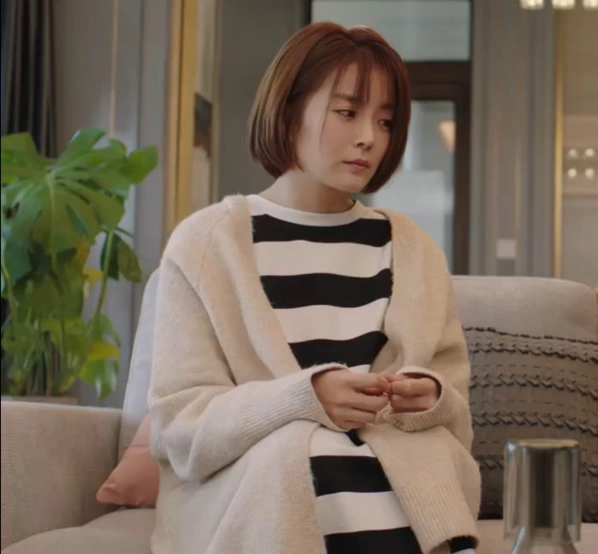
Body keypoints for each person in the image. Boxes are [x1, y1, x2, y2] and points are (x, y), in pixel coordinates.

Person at [147, 23, 479, 554]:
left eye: (385, 121)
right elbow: (180, 427)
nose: (369, 137)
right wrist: (303, 400)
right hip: (259, 488)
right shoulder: (207, 243)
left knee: (420, 470)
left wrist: (429, 397)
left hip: (396, 475)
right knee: (303, 460)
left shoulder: (414, 250)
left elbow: (456, 410)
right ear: (288, 110)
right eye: (347, 112)